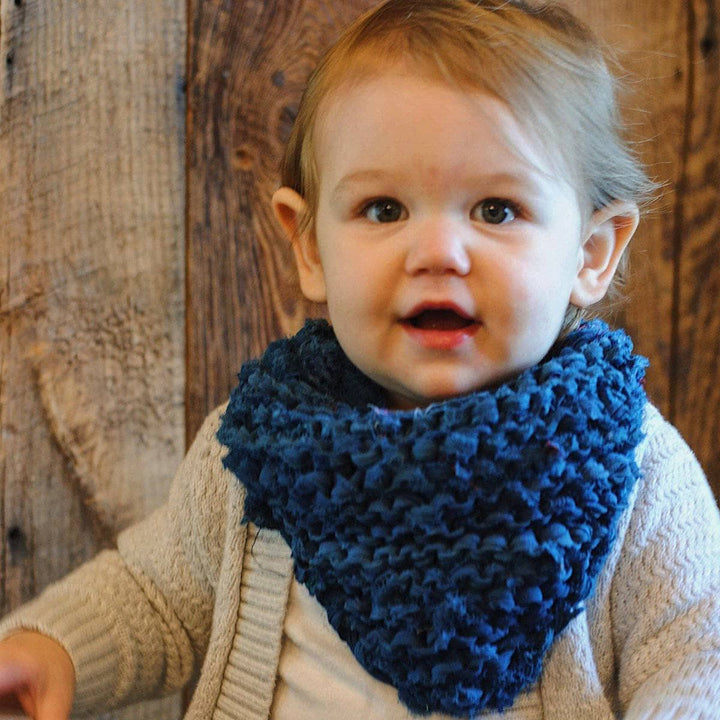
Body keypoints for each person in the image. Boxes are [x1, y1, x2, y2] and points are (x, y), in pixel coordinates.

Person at [1, 0, 719, 718]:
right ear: (311, 247)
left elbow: (697, 654)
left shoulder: (630, 469)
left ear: (591, 253)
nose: (437, 252)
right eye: (384, 210)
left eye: (496, 209)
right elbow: (155, 594)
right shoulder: (264, 450)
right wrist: (52, 647)